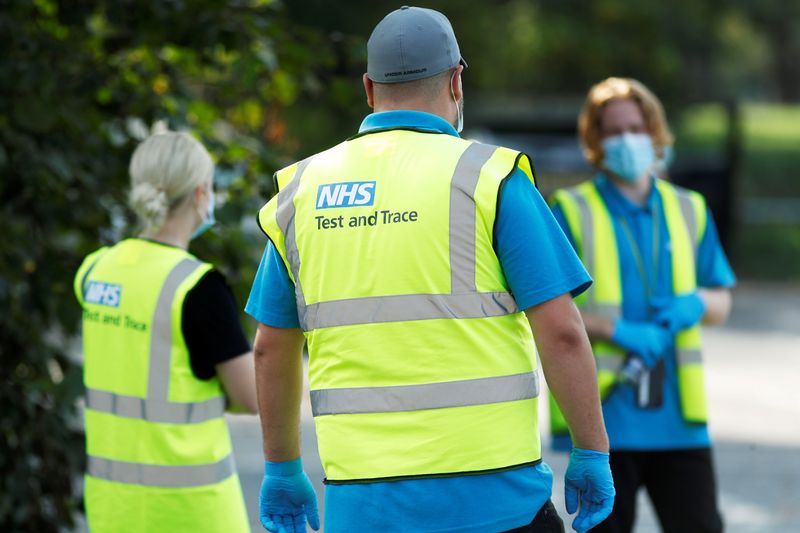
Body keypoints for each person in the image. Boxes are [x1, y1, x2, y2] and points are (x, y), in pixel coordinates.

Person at [246, 6, 615, 533]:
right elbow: (561, 332)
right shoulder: (491, 178)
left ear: (369, 90)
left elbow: (270, 347)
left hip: (363, 507)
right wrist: (591, 450)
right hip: (496, 501)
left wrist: (282, 469)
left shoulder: (302, 193)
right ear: (456, 81)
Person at [548, 77, 735, 532]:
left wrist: (695, 304)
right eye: (614, 130)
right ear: (595, 139)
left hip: (679, 425)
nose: (627, 139)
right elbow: (550, 313)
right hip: (605, 423)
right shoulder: (569, 210)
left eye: (635, 127)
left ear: (654, 133)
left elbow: (721, 300)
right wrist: (617, 331)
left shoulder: (690, 208)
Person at [74, 132, 257, 532]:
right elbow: (252, 397)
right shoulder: (199, 288)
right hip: (192, 512)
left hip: (113, 509)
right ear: (199, 194)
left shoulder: (93, 272)